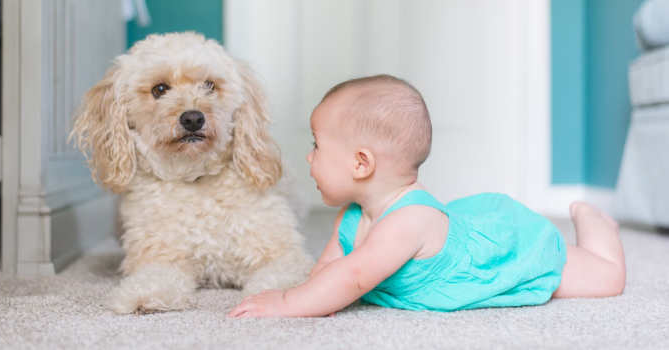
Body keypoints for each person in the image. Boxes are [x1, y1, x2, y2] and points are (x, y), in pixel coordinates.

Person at [228, 74, 626, 318]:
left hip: (498, 252)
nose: (309, 157)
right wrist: (313, 297)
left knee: (606, 279)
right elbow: (329, 272)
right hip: (457, 230)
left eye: (317, 146)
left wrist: (285, 303)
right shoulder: (351, 216)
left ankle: (595, 225)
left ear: (361, 164)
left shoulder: (406, 222)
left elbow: (352, 277)